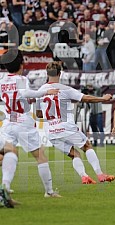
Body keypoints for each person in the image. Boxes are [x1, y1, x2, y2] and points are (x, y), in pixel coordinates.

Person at [36, 62, 115, 184]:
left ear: (47, 74)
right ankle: (100, 175)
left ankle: (84, 176)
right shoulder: (64, 89)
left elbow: (39, 114)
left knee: (74, 154)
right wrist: (103, 99)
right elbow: (85, 98)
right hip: (66, 128)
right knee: (87, 146)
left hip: (51, 132)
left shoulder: (40, 91)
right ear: (60, 73)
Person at [0, 49, 62, 200]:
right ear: (21, 64)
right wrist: (44, 93)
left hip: (8, 122)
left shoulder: (2, 81)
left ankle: (6, 186)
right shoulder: (21, 79)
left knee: (7, 154)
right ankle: (49, 191)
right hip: (23, 123)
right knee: (40, 155)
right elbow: (26, 93)